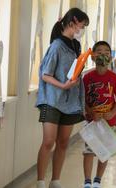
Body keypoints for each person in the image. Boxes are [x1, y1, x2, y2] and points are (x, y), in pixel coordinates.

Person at [35, 8, 89, 188]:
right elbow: (45, 75)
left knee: (63, 142)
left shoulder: (76, 46)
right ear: (72, 22)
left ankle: (55, 180)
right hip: (52, 100)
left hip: (70, 101)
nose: (82, 29)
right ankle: (41, 181)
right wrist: (63, 85)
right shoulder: (57, 46)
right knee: (48, 141)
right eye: (82, 25)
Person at [83, 41, 116, 188]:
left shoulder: (114, 78)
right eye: (99, 52)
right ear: (93, 57)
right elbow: (82, 100)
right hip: (91, 123)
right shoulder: (87, 78)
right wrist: (90, 112)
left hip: (108, 123)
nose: (103, 54)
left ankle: (97, 181)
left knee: (104, 152)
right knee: (88, 151)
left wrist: (113, 113)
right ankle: (87, 181)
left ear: (111, 57)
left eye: (107, 52)